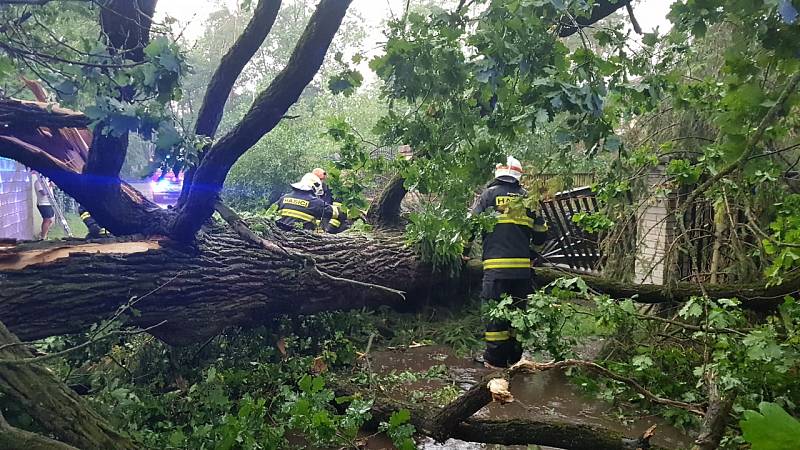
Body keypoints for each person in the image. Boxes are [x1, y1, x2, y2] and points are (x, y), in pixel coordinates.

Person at [469, 156, 548, 368]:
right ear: (518, 176)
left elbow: (471, 226)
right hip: (522, 272)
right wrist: (532, 255)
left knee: (495, 316)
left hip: (495, 270)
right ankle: (514, 360)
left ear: (497, 174)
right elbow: (542, 233)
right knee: (517, 315)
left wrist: (464, 253)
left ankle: (494, 362)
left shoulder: (488, 196)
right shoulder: (527, 199)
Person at [33, 172, 55, 240]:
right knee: (47, 220)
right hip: (43, 204)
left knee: (49, 220)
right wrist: (50, 186)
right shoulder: (38, 182)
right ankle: (43, 237)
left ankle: (44, 234)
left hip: (49, 203)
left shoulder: (46, 181)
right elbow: (43, 193)